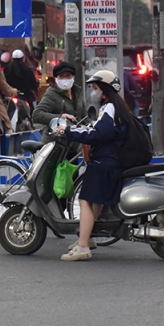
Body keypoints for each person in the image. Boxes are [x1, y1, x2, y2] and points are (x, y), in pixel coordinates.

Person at [54, 70, 130, 262]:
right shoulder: (115, 107)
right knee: (95, 201)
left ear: (104, 89)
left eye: (96, 88)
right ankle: (87, 238)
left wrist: (69, 132)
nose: (94, 92)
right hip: (111, 161)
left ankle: (82, 247)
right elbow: (95, 129)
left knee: (85, 200)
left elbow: (99, 134)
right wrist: (72, 130)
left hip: (105, 162)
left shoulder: (109, 108)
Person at [33, 61, 85, 142]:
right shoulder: (52, 94)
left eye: (68, 76)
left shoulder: (77, 92)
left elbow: (84, 116)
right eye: (61, 76)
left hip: (75, 143)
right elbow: (37, 114)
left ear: (73, 77)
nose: (65, 79)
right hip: (55, 144)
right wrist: (60, 117)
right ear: (56, 79)